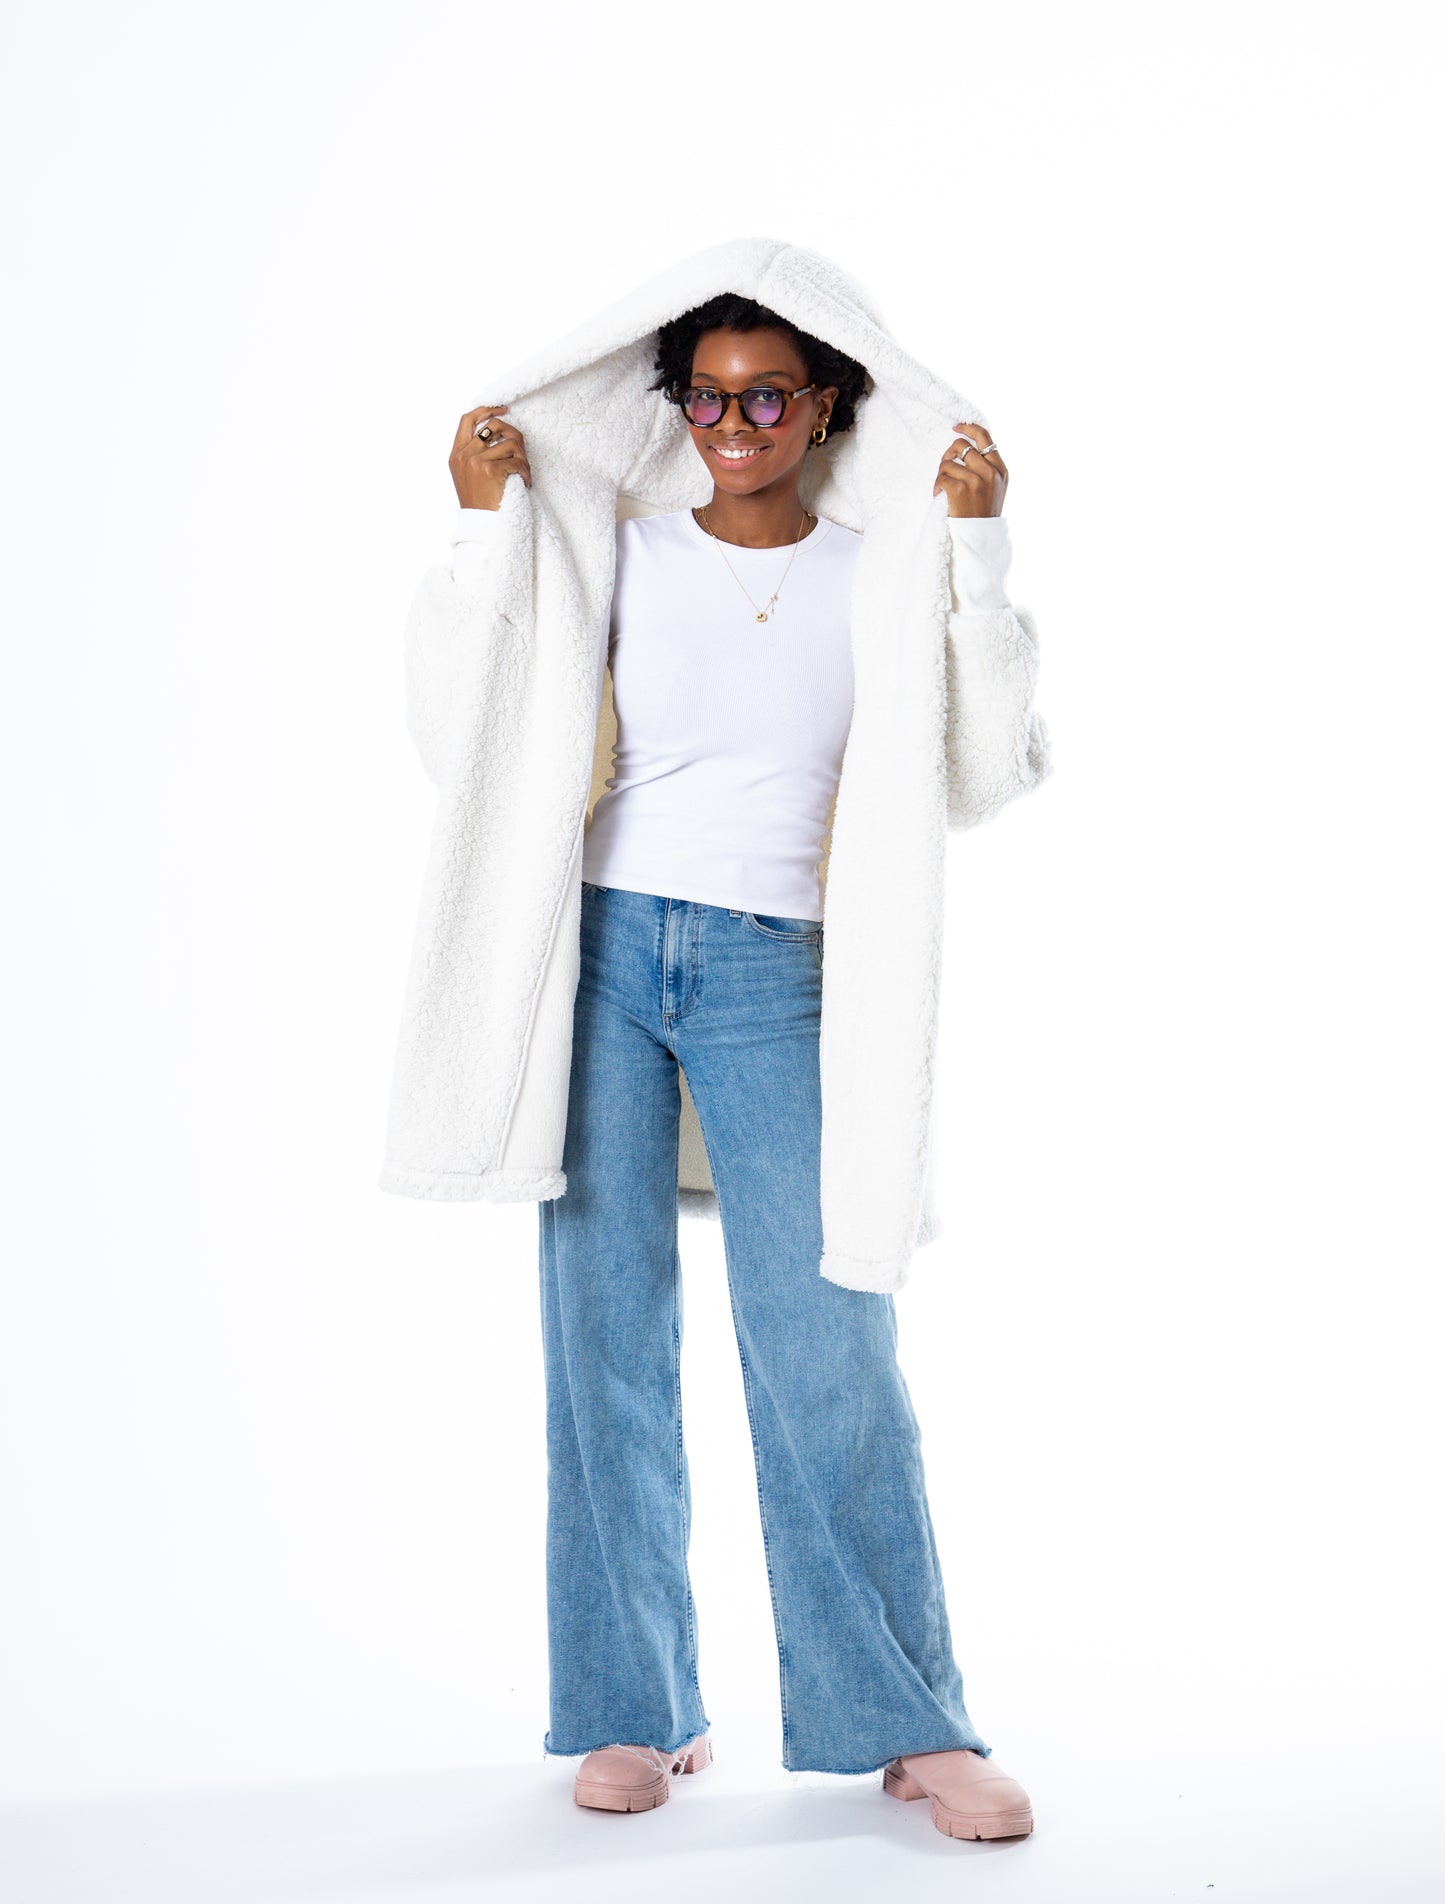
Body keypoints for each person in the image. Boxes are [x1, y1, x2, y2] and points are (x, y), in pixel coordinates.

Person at [432, 286, 1039, 1843]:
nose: (738, 427)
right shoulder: (619, 553)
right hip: (609, 952)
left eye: (772, 397)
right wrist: (481, 530)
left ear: (827, 408)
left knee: (829, 1345)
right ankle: (635, 1705)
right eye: (708, 398)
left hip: (780, 972)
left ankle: (908, 1721)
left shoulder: (879, 574)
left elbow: (984, 766)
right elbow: (470, 729)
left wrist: (975, 550)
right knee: (603, 1340)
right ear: (677, 412)